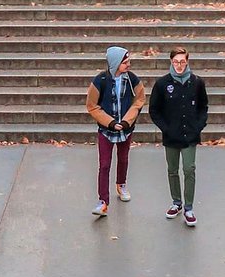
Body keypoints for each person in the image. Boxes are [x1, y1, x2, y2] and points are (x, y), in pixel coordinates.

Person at [148, 46, 209, 228]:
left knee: (189, 169)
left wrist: (198, 126)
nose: (179, 65)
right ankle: (176, 202)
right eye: (176, 62)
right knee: (172, 169)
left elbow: (203, 107)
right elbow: (154, 110)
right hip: (171, 135)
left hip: (190, 135)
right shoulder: (162, 84)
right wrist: (166, 128)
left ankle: (189, 207)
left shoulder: (197, 83)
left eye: (182, 62)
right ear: (171, 62)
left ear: (187, 61)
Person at [86, 46, 145, 218]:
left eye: (128, 61)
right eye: (125, 62)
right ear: (115, 63)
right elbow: (92, 105)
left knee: (123, 158)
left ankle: (121, 184)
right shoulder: (100, 80)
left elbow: (139, 100)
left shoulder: (132, 80)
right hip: (106, 130)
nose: (128, 65)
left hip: (126, 129)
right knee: (104, 164)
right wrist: (110, 122)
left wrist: (127, 120)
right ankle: (103, 201)